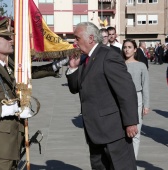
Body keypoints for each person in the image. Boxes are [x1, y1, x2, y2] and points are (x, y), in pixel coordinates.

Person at [66, 22, 138, 170]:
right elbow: (75, 88)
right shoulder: (85, 59)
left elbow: (126, 90)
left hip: (114, 131)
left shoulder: (108, 56)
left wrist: (130, 122)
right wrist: (73, 69)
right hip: (95, 132)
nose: (75, 42)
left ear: (91, 38)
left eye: (77, 38)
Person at [0, 18, 67, 170]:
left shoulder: (9, 63)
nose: (12, 40)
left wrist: (56, 65)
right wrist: (4, 110)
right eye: (6, 37)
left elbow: (28, 73)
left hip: (13, 138)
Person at [122, 39, 150, 159]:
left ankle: (132, 161)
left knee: (136, 132)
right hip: (122, 99)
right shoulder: (120, 65)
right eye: (125, 47)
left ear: (135, 50)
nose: (127, 49)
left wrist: (146, 104)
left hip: (137, 98)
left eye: (129, 47)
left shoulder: (141, 66)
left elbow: (146, 86)